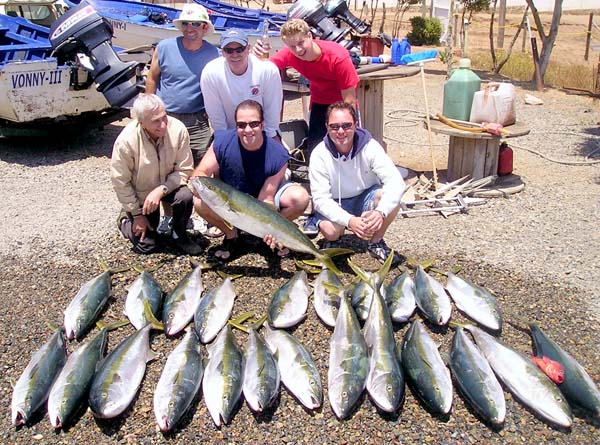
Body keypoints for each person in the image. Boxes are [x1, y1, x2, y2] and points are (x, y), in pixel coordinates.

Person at [191, 100, 310, 261]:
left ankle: (270, 235)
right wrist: (196, 183)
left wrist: (268, 226)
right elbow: (202, 171)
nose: (247, 130)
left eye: (253, 124)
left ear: (262, 125)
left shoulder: (278, 154)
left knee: (300, 198)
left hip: (260, 201)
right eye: (241, 125)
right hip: (231, 198)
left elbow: (266, 198)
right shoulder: (221, 142)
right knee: (199, 202)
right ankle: (232, 236)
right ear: (236, 126)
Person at [307, 102, 405, 266]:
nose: (340, 131)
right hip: (335, 200)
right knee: (331, 232)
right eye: (334, 126)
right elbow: (320, 199)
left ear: (356, 124)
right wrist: (350, 220)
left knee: (390, 200)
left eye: (346, 125)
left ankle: (376, 242)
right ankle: (334, 240)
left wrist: (380, 212)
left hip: (364, 197)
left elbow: (396, 182)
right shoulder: (319, 154)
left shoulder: (370, 147)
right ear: (326, 127)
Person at [110, 94, 203, 256]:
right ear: (141, 122)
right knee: (148, 246)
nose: (163, 125)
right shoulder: (126, 141)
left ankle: (179, 234)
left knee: (185, 196)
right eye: (155, 121)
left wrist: (161, 190)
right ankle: (126, 219)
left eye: (164, 117)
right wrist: (136, 214)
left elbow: (185, 169)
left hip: (168, 187)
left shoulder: (178, 129)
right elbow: (120, 182)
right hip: (142, 198)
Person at [254, 18, 359, 154]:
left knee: (346, 148)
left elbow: (349, 100)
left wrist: (346, 124)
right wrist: (254, 55)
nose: (298, 50)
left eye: (301, 43)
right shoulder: (290, 55)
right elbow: (263, 68)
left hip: (342, 104)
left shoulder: (337, 57)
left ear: (310, 36)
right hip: (319, 103)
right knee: (315, 151)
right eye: (292, 46)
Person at [145, 3, 219, 165]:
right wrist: (149, 109)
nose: (189, 27)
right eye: (185, 23)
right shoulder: (163, 48)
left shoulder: (214, 54)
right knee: (162, 162)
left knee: (200, 164)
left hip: (197, 121)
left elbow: (219, 84)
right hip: (165, 117)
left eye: (195, 23)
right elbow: (152, 78)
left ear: (205, 28)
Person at [201, 28, 283, 139]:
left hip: (263, 133)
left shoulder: (267, 69)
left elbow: (272, 109)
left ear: (248, 48)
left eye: (240, 49)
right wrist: (225, 141)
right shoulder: (210, 72)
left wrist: (270, 138)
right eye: (229, 50)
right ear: (222, 51)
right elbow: (216, 115)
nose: (235, 55)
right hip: (229, 133)